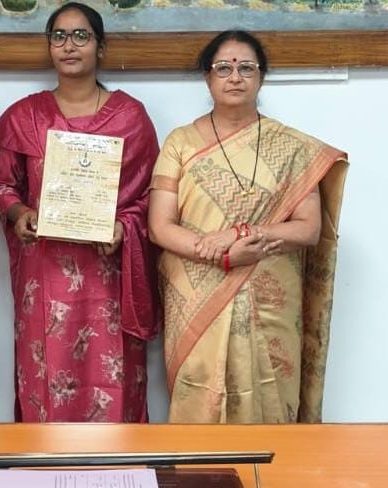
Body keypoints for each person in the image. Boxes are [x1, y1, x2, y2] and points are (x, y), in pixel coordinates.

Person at [148, 30, 347, 424]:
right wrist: (218, 255)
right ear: (208, 77)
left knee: (269, 397)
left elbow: (307, 229)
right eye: (223, 68)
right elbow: (159, 226)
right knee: (200, 397)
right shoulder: (180, 143)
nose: (235, 77)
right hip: (197, 297)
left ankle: (273, 467)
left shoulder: (292, 148)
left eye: (246, 68)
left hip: (268, 301)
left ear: (261, 77)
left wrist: (241, 236)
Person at [0, 1, 160, 423]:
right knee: (46, 375)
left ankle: (116, 464)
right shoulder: (25, 117)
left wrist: (123, 226)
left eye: (81, 36)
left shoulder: (130, 118)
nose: (69, 45)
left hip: (108, 275)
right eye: (59, 36)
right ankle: (47, 463)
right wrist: (19, 213)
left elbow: (151, 195)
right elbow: (1, 185)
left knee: (112, 374)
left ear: (101, 47)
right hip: (45, 276)